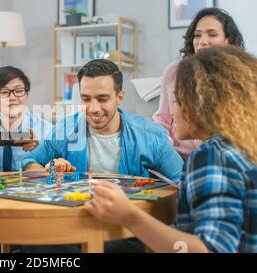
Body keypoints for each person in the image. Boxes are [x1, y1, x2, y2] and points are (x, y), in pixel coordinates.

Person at [86, 46, 257, 253]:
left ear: (201, 103)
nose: (171, 111)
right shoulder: (241, 149)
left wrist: (129, 215)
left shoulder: (211, 156)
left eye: (176, 99)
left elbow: (209, 250)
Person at [23, 59, 183, 182]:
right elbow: (28, 162)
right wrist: (50, 169)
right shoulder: (64, 130)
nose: (93, 108)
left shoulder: (150, 135)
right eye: (86, 99)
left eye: (103, 99)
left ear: (120, 97)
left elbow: (181, 180)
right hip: (77, 216)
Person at [153, 8, 245, 158]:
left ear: (228, 40)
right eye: (197, 35)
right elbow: (162, 120)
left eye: (212, 34)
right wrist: (165, 153)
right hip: (176, 155)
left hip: (220, 156)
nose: (202, 42)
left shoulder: (241, 75)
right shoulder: (174, 71)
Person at [0, 66, 53, 172]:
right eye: (4, 92)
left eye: (19, 91)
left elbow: (56, 169)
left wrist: (40, 151)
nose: (12, 98)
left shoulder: (46, 129)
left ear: (27, 95)